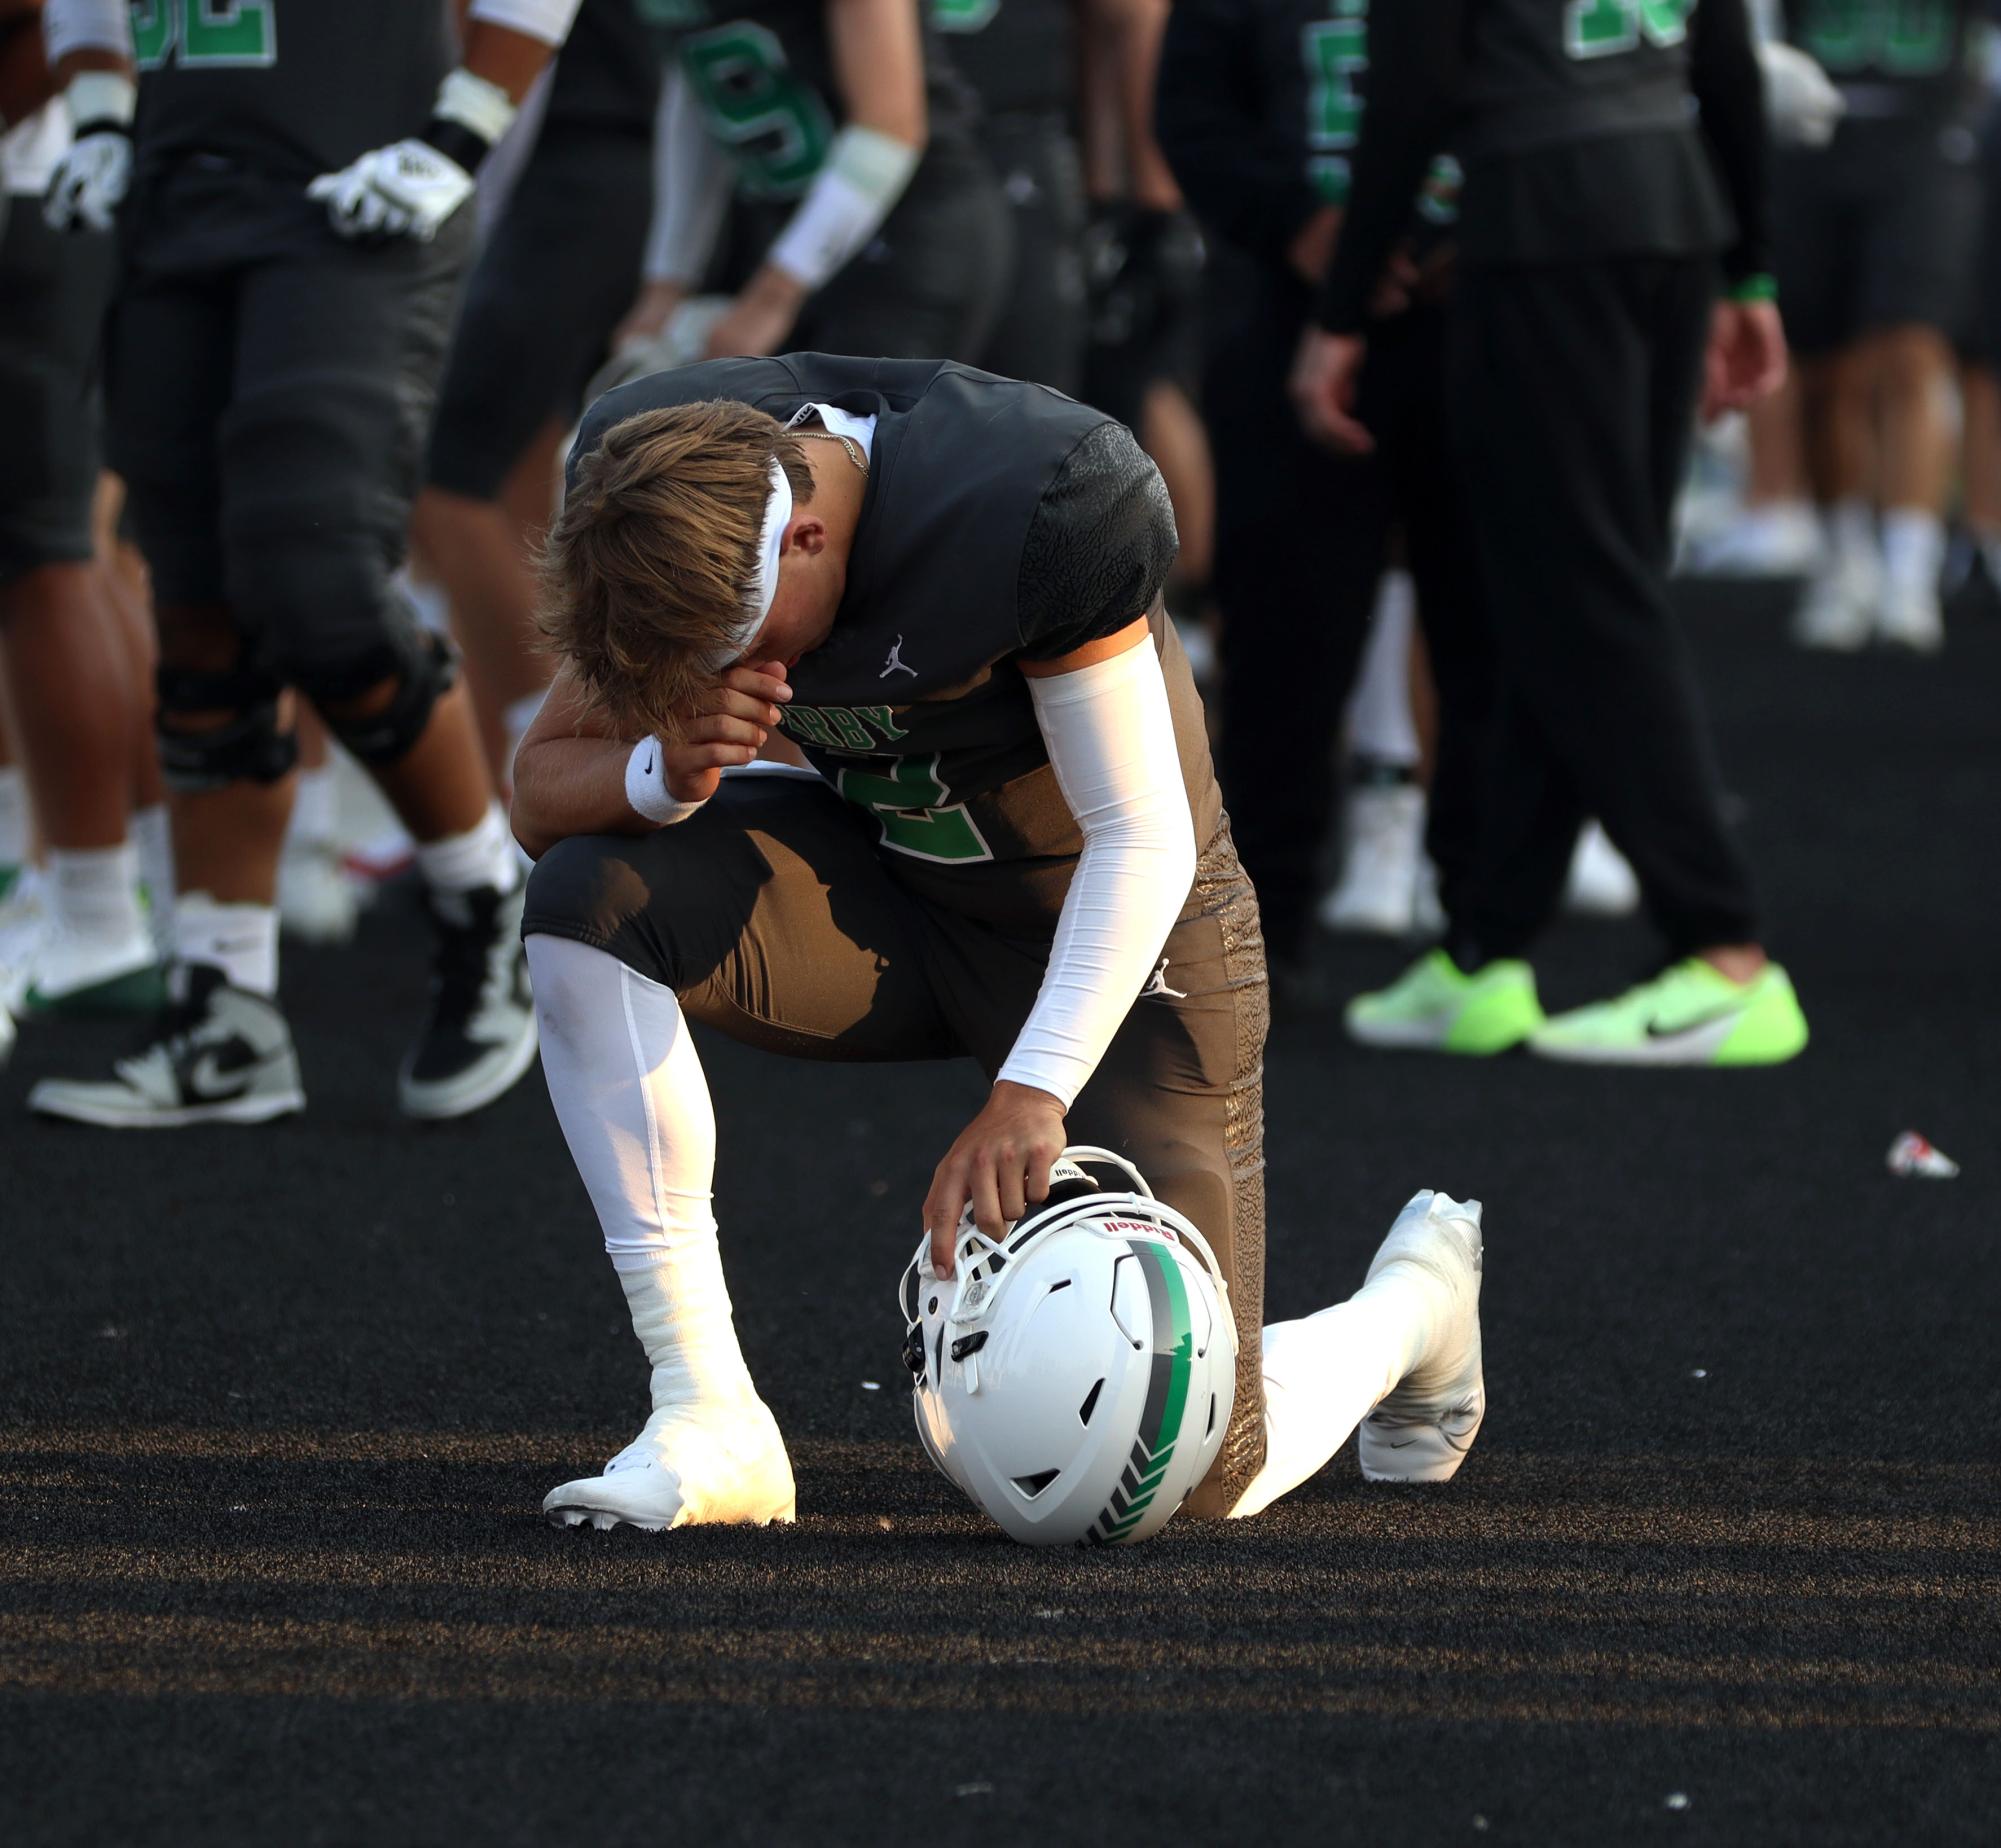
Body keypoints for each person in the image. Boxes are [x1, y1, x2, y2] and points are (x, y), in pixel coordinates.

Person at [512, 354, 1487, 1529]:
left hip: (1119, 932)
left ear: (810, 538)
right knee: (590, 893)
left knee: (1187, 1479)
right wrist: (661, 768)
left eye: (733, 640)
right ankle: (706, 1408)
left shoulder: (1038, 502)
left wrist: (1032, 1090)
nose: (720, 672)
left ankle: (1415, 1305)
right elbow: (538, 791)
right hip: (888, 889)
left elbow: (1140, 839)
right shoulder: (656, 477)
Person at [27, 0, 584, 1129]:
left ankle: (481, 902)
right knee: (194, 615)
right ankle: (226, 1004)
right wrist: (94, 114)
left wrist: (458, 132)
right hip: (174, 194)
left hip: (352, 194)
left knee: (318, 584)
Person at [1292, 0, 1811, 1066]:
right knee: (1556, 587)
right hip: (1674, 214)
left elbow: (1415, 91)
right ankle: (1492, 945)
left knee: (1584, 590)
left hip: (1541, 228)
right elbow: (1731, 65)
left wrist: (1340, 313)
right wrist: (1751, 269)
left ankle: (1723, 948)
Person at [412, 0, 662, 792]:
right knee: (519, 492)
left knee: (442, 485)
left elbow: (487, 43)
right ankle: (501, 785)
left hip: (559, 177)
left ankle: (552, 765)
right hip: (617, 171)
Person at [0, 5, 164, 1029]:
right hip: (55, 190)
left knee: (46, 557)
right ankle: (98, 879)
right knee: (63, 556)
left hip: (36, 190)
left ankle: (100, 902)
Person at [612, 0, 1009, 369]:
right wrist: (666, 285)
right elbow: (703, 98)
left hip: (905, 233)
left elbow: (889, 129)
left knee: (845, 438)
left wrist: (773, 298)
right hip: (791, 238)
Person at [1778, 0, 1984, 653]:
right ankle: (1844, 557)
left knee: (1911, 351)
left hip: (1923, 147)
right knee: (1822, 375)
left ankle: (1908, 570)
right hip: (1812, 143)